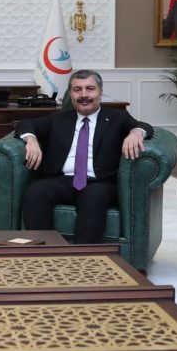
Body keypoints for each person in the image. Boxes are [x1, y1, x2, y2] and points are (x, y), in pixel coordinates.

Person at [16, 69, 152, 245]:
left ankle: (83, 254)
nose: (84, 95)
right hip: (63, 180)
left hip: (100, 182)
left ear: (100, 92)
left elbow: (145, 126)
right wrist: (31, 139)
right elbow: (25, 124)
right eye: (77, 89)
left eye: (90, 89)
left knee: (94, 196)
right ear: (71, 95)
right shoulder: (58, 119)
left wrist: (135, 133)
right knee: (36, 191)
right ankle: (44, 252)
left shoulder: (117, 118)